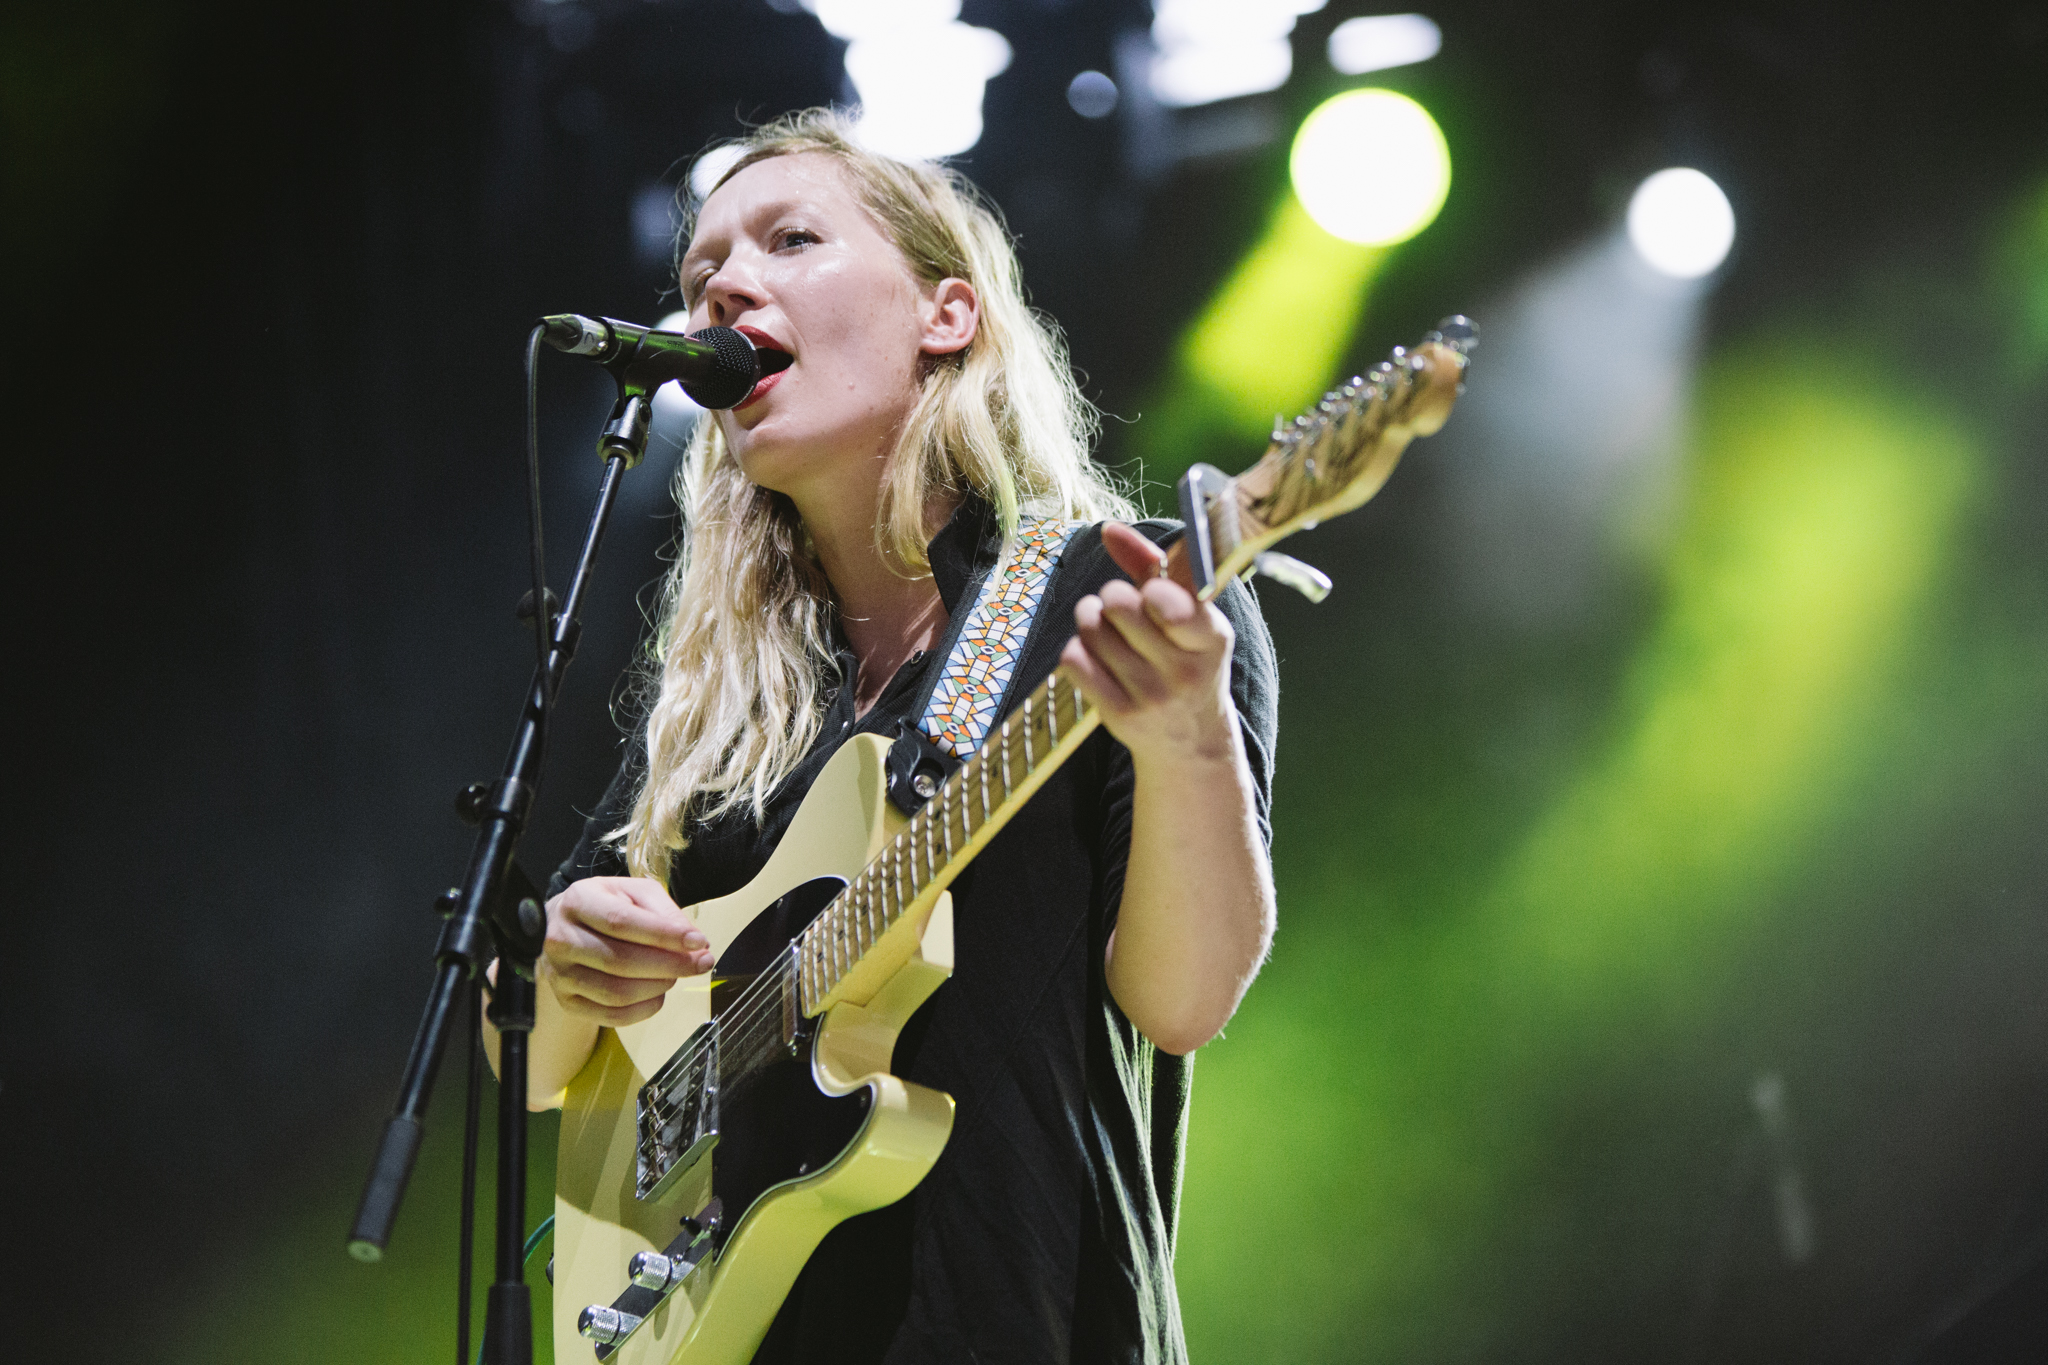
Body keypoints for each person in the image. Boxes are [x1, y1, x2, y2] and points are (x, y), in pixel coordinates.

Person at [487, 108, 1278, 1364]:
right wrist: (558, 976)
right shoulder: (735, 702)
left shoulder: (1107, 598)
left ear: (945, 314)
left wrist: (1185, 732)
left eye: (790, 239)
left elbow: (1180, 1003)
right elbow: (527, 1067)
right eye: (701, 277)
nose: (723, 287)